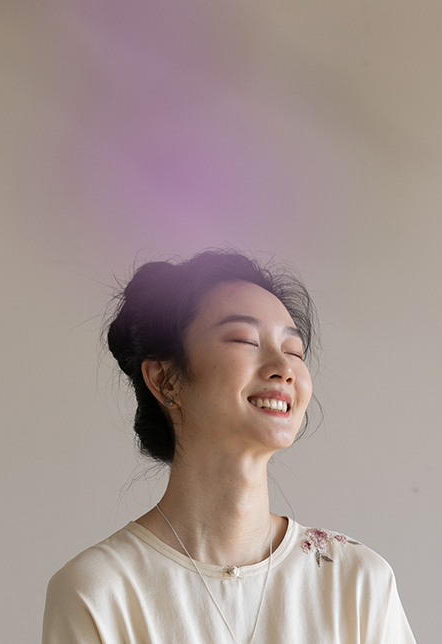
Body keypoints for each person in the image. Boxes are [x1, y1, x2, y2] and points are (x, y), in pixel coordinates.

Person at [43, 250, 417, 644]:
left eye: (294, 351)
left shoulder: (356, 581)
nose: (283, 369)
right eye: (245, 340)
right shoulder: (99, 591)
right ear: (165, 380)